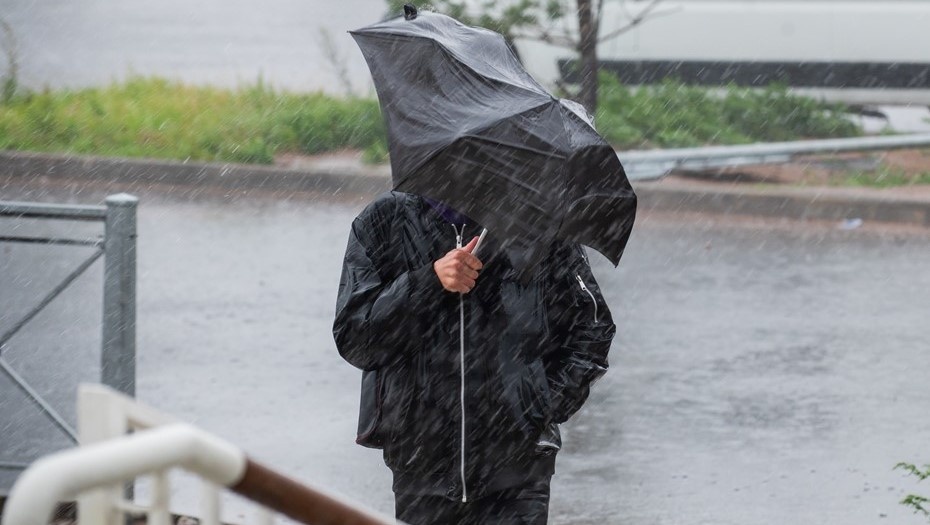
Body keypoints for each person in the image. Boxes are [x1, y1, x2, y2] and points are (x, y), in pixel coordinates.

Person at [333, 191, 616, 524]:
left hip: (517, 473)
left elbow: (592, 326)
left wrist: (539, 404)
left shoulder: (537, 224)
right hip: (422, 471)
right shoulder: (385, 221)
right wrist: (430, 281)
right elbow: (357, 337)